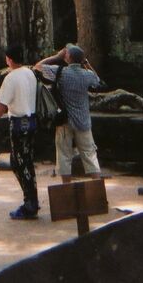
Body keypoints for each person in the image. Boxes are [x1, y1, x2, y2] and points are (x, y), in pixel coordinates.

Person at [0, 44, 39, 219]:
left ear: (9, 59)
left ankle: (30, 204)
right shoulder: (30, 73)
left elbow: (2, 105)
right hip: (32, 120)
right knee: (25, 161)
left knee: (19, 163)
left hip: (19, 123)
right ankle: (32, 200)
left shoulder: (11, 78)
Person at [35, 43, 101, 183]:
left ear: (68, 57)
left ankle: (66, 188)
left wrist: (56, 57)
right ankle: (97, 186)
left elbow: (38, 66)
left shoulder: (60, 72)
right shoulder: (87, 75)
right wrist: (86, 63)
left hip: (64, 120)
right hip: (83, 120)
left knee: (64, 156)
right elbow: (97, 80)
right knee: (89, 154)